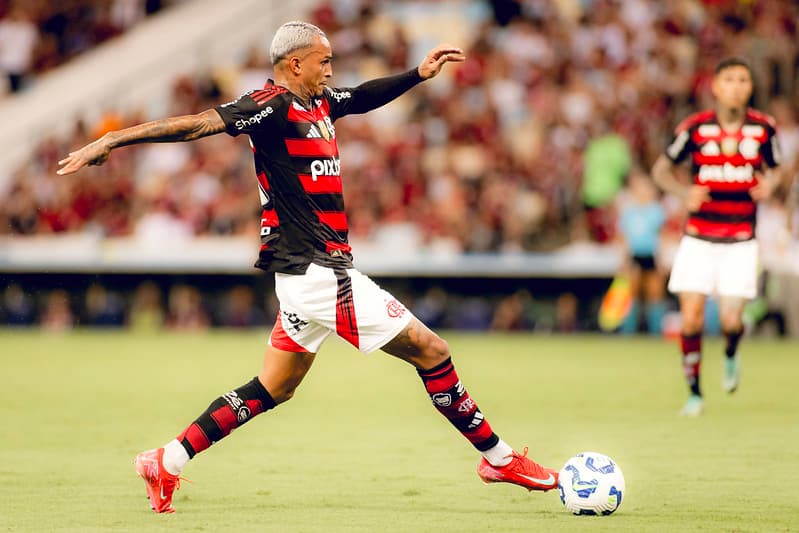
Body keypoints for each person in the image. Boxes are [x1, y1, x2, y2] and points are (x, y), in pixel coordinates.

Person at [57, 21, 558, 514]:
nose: (331, 70)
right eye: (324, 61)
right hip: (320, 274)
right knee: (431, 350)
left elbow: (362, 96)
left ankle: (165, 459)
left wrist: (417, 74)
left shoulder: (320, 103)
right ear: (295, 63)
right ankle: (500, 459)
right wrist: (114, 139)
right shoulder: (269, 106)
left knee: (275, 387)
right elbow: (199, 124)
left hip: (305, 277)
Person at [651, 57, 783, 416]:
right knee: (691, 319)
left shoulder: (763, 128)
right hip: (698, 236)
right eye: (729, 79)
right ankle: (694, 393)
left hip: (741, 238)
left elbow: (777, 169)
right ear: (716, 86)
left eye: (743, 79)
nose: (736, 86)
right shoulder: (695, 128)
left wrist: (770, 184)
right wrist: (683, 193)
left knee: (730, 321)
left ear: (750, 88)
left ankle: (730, 352)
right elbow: (661, 169)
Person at [616, 170, 667, 335]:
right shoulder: (629, 212)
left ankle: (655, 331)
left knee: (655, 294)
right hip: (635, 255)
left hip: (651, 255)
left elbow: (661, 237)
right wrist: (623, 261)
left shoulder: (656, 211)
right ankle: (628, 331)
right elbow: (623, 238)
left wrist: (661, 260)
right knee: (632, 294)